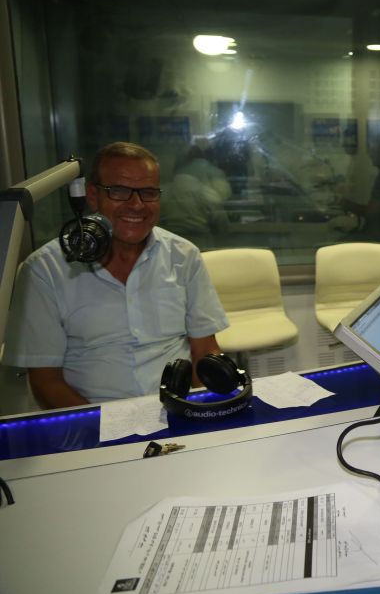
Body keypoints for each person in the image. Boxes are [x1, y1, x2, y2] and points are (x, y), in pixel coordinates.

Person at [3, 142, 229, 408]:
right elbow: (45, 381)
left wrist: (204, 411)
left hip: (177, 411)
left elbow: (205, 350)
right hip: (92, 418)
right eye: (119, 192)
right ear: (92, 195)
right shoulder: (44, 269)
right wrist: (100, 426)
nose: (137, 204)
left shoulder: (184, 256)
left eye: (148, 193)